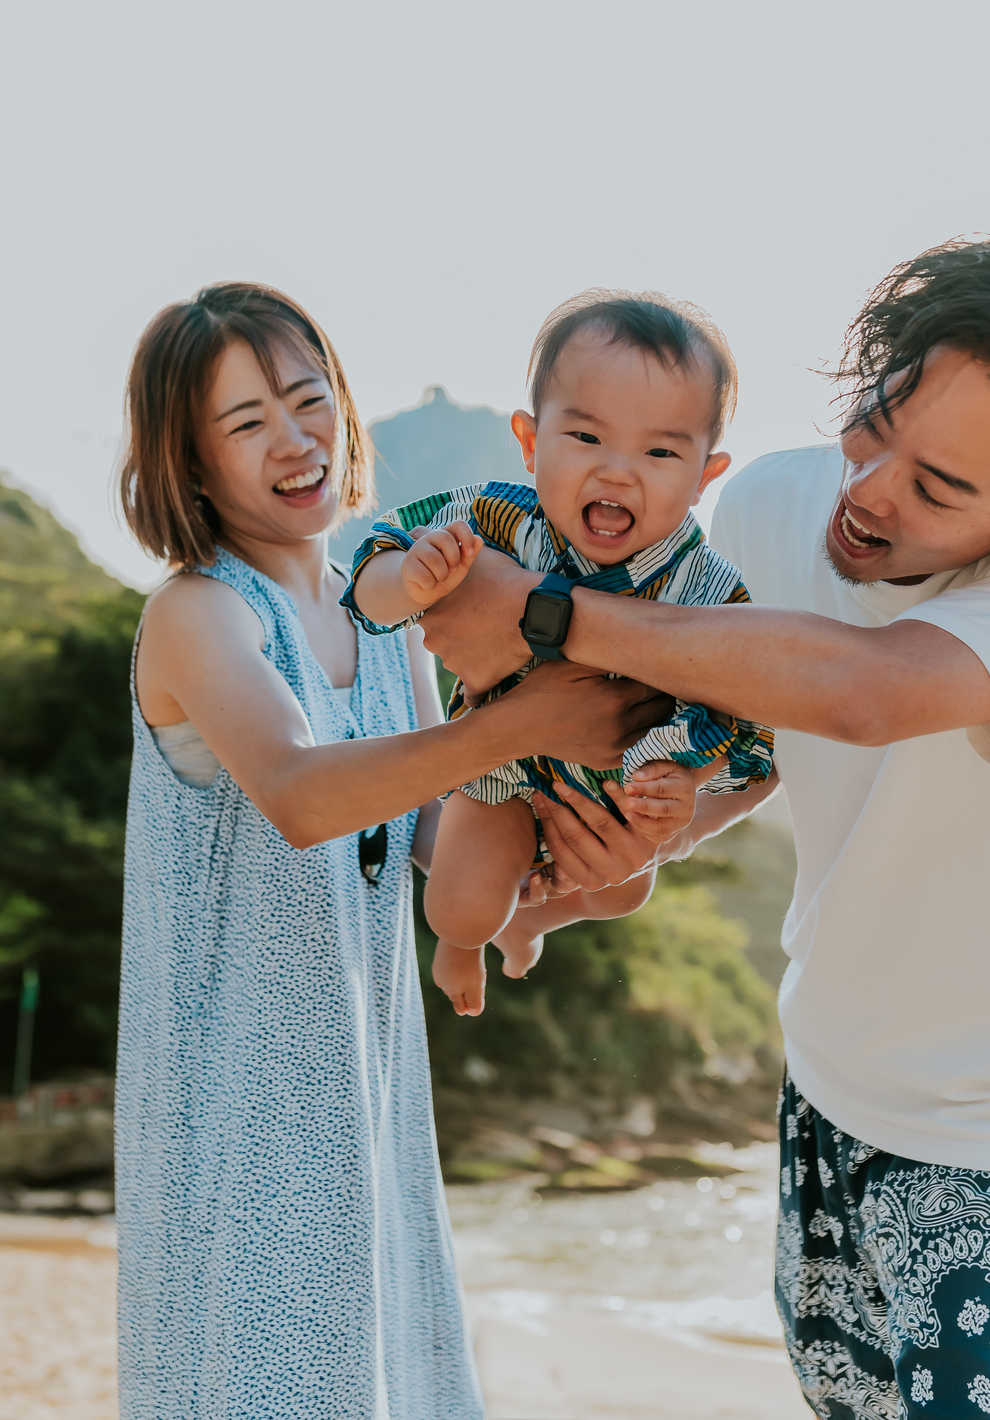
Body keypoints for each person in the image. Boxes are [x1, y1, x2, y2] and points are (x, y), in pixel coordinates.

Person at [411, 232, 990, 1420]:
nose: (868, 491)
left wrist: (539, 614)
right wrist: (649, 836)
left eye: (937, 486)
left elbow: (863, 692)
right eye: (877, 422)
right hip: (821, 1085)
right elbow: (753, 740)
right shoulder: (778, 500)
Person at [115, 281, 665, 1420]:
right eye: (246, 422)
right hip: (241, 1117)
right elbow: (305, 795)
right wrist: (520, 723)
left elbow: (428, 830)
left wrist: (563, 863)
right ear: (190, 462)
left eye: (308, 399)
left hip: (361, 1106)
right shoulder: (196, 615)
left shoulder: (386, 604)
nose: (294, 438)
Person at [342, 290, 774, 1016]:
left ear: (706, 473)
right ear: (531, 440)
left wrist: (688, 784)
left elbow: (745, 716)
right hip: (500, 764)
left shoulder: (709, 592)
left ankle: (538, 916)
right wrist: (409, 578)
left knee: (628, 886)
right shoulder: (496, 518)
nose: (617, 471)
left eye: (661, 451)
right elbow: (374, 563)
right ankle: (473, 940)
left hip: (611, 792)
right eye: (586, 438)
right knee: (458, 904)